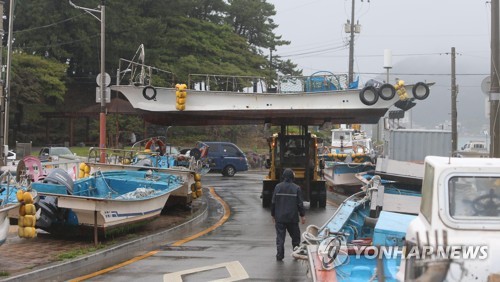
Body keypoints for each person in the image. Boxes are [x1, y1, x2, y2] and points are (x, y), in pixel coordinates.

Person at [271, 168, 306, 261]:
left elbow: (273, 202)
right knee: (295, 237)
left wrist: (273, 215)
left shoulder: (277, 187)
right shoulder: (296, 188)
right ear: (292, 177)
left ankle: (279, 255)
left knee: (280, 237)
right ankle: (296, 253)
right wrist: (302, 215)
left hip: (280, 217)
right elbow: (300, 203)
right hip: (292, 218)